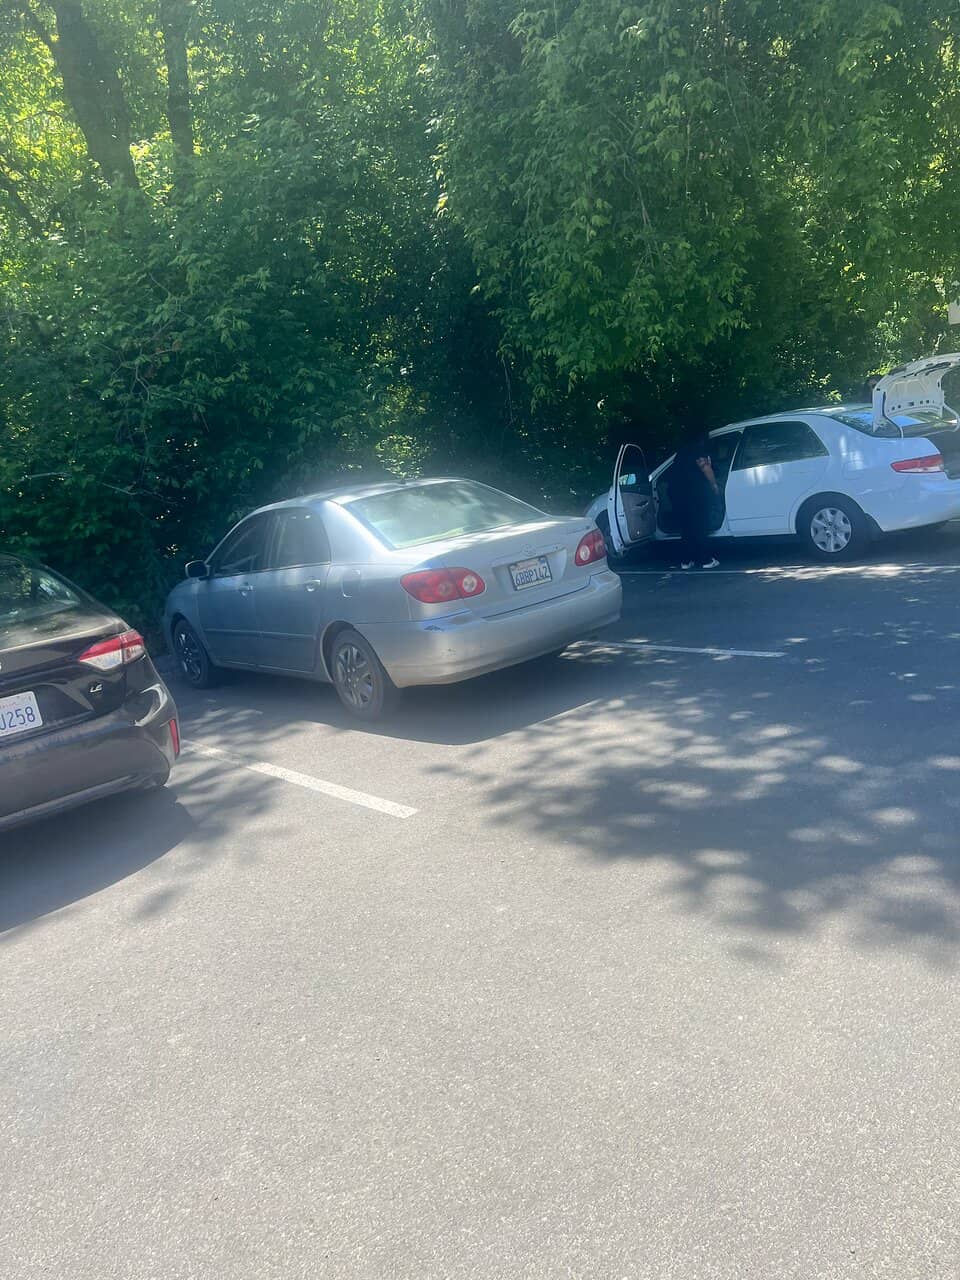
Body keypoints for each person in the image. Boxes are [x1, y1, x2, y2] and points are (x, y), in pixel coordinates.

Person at [669, 435, 721, 570]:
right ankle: (705, 560)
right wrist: (714, 485)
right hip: (697, 496)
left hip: (680, 496)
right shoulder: (698, 451)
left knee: (687, 529)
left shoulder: (680, 453)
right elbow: (705, 468)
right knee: (700, 527)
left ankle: (686, 561)